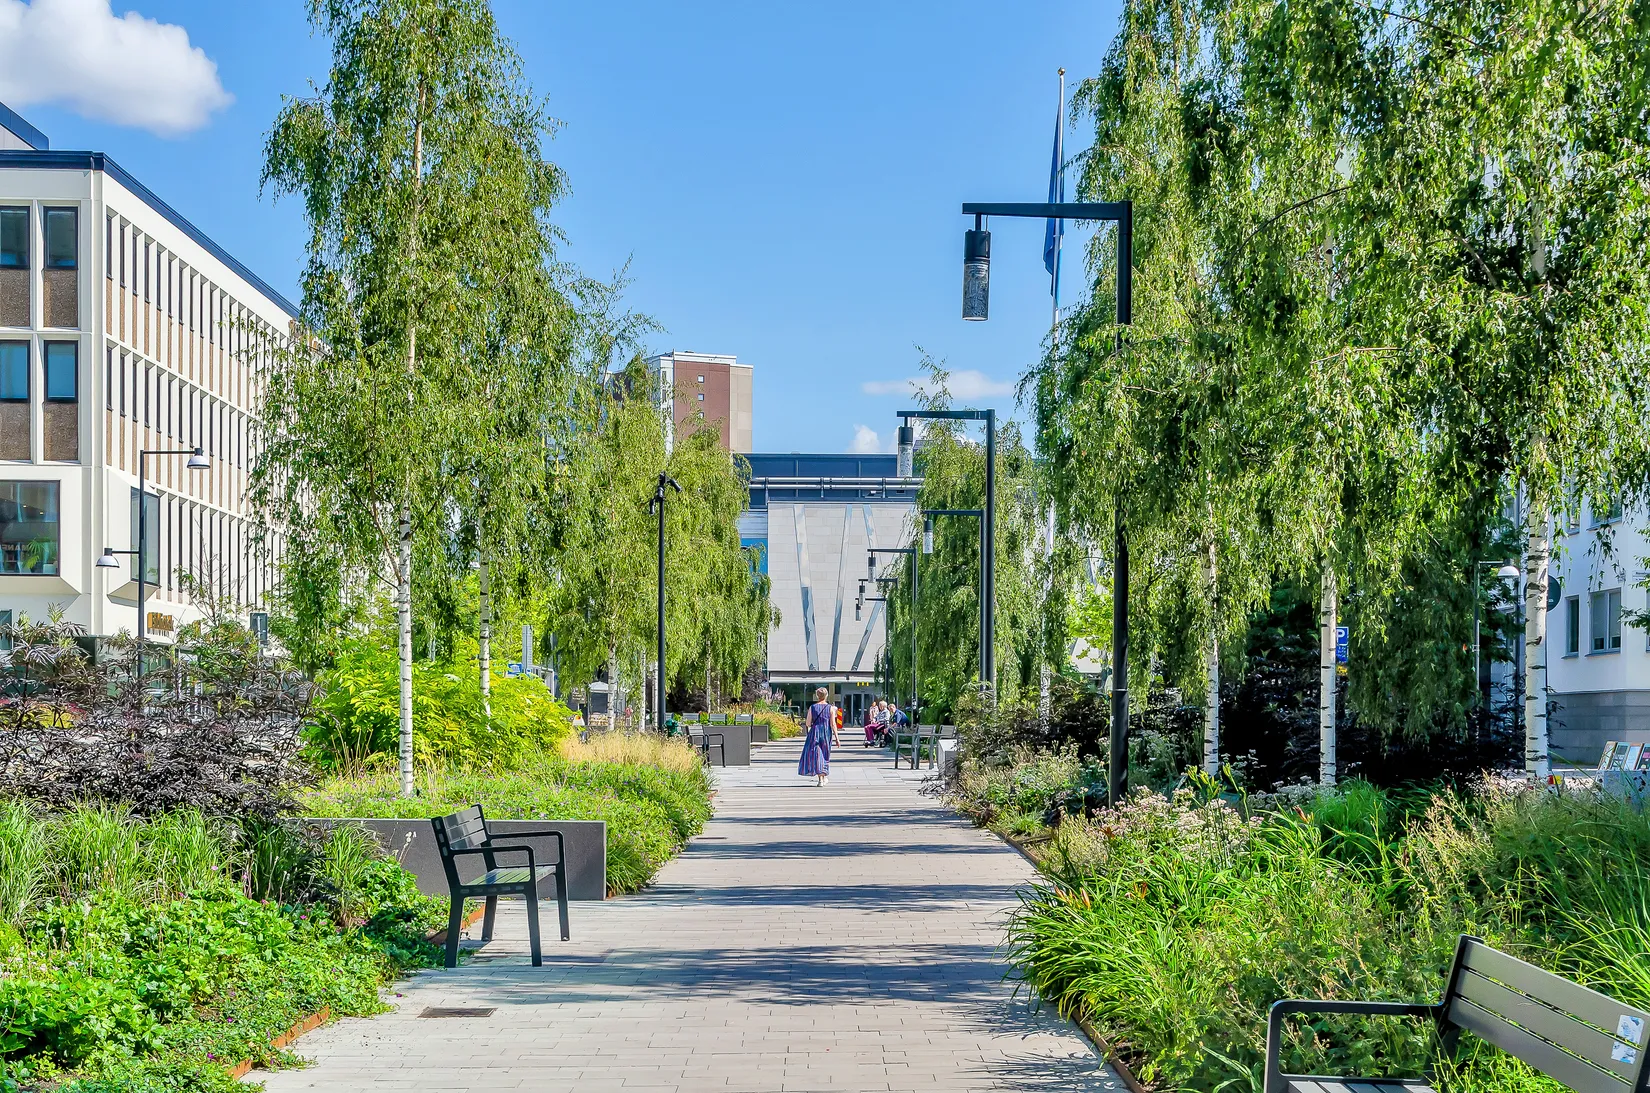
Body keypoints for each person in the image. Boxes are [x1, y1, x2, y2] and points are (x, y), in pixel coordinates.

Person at [798, 687, 840, 786]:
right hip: (826, 733)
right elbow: (833, 724)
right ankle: (822, 776)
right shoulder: (830, 708)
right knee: (824, 754)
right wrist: (837, 738)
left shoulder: (812, 707)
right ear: (826, 696)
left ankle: (821, 778)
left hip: (815, 732)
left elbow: (808, 723)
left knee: (817, 754)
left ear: (817, 696)